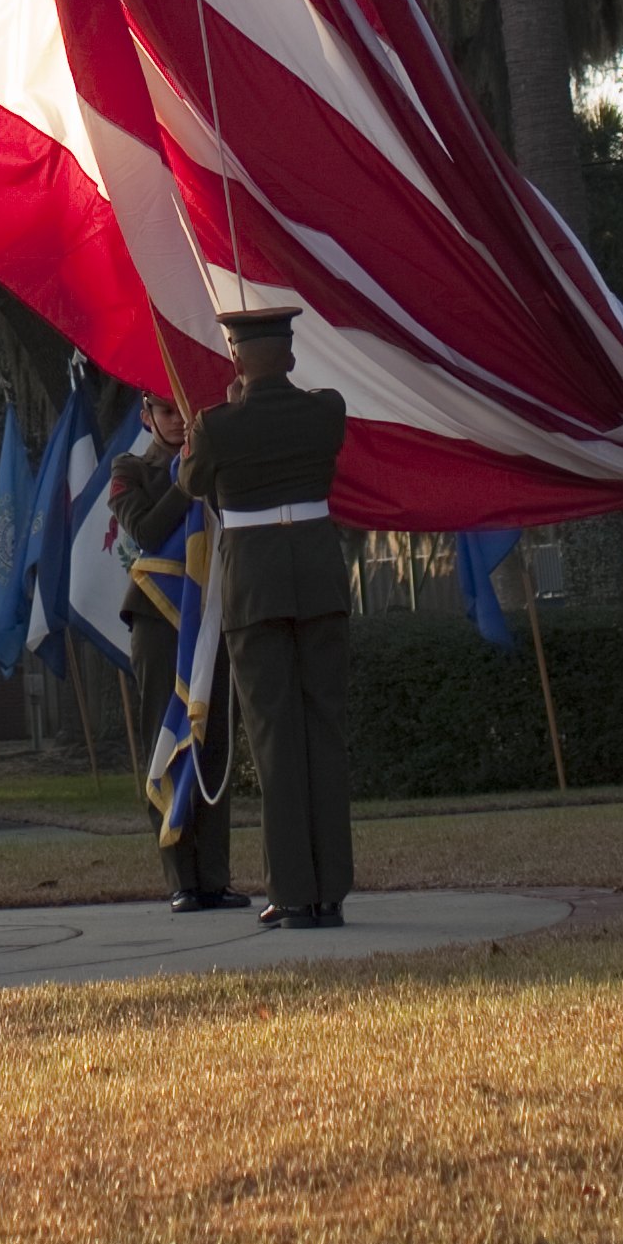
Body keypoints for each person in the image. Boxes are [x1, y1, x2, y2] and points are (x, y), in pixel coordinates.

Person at [184, 299, 358, 929]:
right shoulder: (326, 411)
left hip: (255, 587)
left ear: (236, 356)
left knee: (275, 740)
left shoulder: (215, 426)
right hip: (317, 580)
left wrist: (228, 411)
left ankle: (292, 894)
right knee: (324, 734)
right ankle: (331, 892)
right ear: (289, 354)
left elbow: (192, 483)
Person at [106, 393, 241, 910]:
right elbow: (144, 528)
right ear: (146, 417)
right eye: (166, 412)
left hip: (212, 612)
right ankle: (180, 878)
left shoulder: (215, 463)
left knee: (213, 736)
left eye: (186, 413)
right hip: (159, 618)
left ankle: (215, 877)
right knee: (168, 736)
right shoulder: (130, 468)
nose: (179, 423)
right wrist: (188, 476)